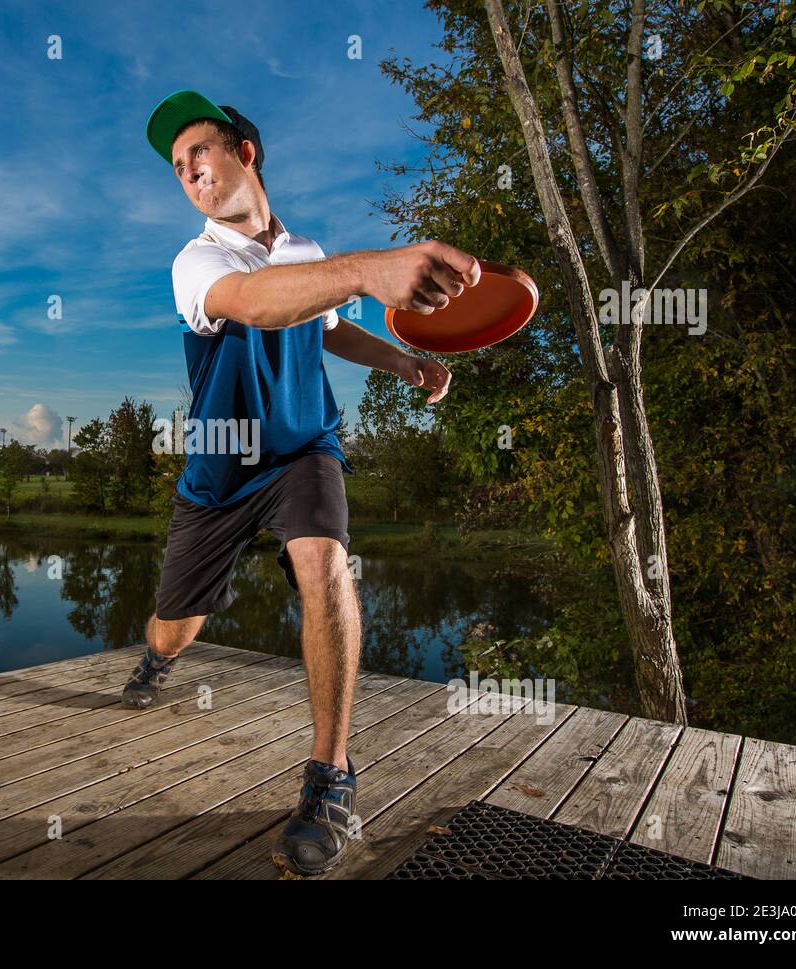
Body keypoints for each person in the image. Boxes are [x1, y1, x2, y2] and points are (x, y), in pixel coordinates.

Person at [126, 89, 479, 876]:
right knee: (176, 625)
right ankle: (154, 655)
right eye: (179, 169)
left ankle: (330, 778)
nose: (189, 173)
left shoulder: (307, 251)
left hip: (303, 449)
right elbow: (258, 303)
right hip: (223, 470)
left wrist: (405, 358)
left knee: (324, 561)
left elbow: (330, 325)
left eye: (199, 155)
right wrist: (365, 269)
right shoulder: (199, 261)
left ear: (244, 153)